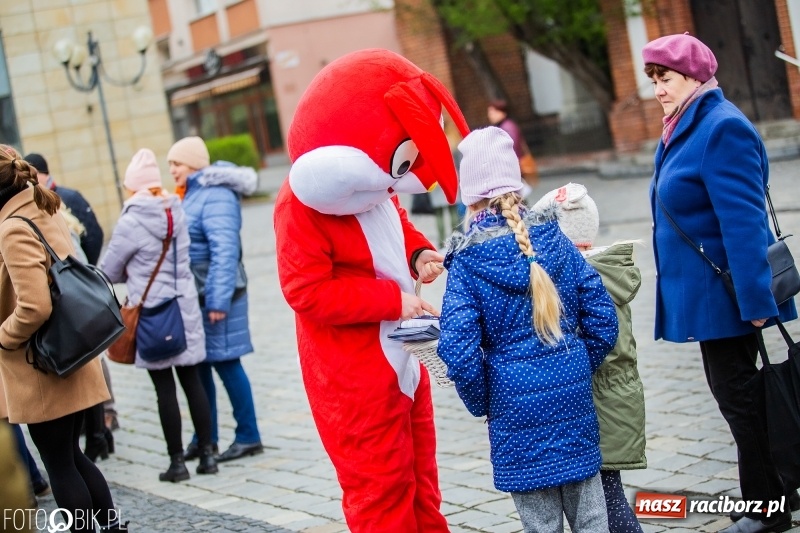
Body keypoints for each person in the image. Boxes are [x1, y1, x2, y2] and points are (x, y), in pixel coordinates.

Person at [274, 49, 470, 532]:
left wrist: (418, 254)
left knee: (423, 480)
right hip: (354, 377)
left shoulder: (372, 188)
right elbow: (306, 292)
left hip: (404, 362)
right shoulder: (303, 205)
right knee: (380, 495)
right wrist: (393, 300)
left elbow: (393, 221)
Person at [643, 33, 798, 533]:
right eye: (654, 80)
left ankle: (766, 508)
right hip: (712, 298)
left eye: (665, 78)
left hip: (731, 298)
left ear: (693, 75)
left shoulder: (721, 127)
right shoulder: (685, 126)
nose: (658, 90)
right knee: (741, 399)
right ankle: (771, 494)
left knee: (741, 402)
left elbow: (745, 223)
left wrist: (757, 302)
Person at [437, 127, 619, 533]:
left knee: (542, 525)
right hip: (572, 395)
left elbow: (459, 351)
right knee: (593, 519)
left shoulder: (467, 261)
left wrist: (486, 399)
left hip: (513, 409)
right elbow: (603, 318)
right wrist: (574, 362)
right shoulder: (554, 237)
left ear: (471, 196)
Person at [0, 145, 125, 531]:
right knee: (73, 456)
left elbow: (35, 305)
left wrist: (4, 337)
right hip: (71, 351)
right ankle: (110, 527)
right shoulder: (43, 207)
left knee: (60, 464)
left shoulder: (12, 226)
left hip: (42, 365)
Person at [534, 182, 646, 533]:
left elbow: (592, 345)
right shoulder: (606, 271)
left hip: (597, 410)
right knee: (609, 497)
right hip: (613, 405)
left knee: (607, 504)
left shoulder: (579, 283)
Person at [100, 148, 218, 481]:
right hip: (185, 307)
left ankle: (177, 463)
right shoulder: (174, 210)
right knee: (193, 380)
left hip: (153, 313)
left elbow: (109, 270)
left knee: (164, 388)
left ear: (132, 186)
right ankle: (208, 456)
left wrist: (133, 272)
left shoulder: (132, 220)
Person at [166, 137, 263, 463]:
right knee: (202, 365)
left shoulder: (216, 194)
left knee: (226, 362)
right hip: (201, 294)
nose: (172, 170)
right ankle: (205, 437)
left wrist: (219, 301)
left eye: (176, 163)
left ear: (193, 163)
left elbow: (225, 252)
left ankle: (248, 435)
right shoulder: (193, 193)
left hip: (220, 295)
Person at [24, 152, 119, 448]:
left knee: (89, 362)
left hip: (72, 299)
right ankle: (97, 432)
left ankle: (105, 420)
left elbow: (92, 236)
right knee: (85, 365)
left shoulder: (61, 199)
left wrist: (82, 277)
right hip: (71, 299)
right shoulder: (44, 203)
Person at [487, 99, 538, 188]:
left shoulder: (507, 127)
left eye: (493, 112)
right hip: (513, 166)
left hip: (512, 166)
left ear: (502, 112)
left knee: (517, 194)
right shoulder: (505, 126)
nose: (490, 116)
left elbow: (510, 147)